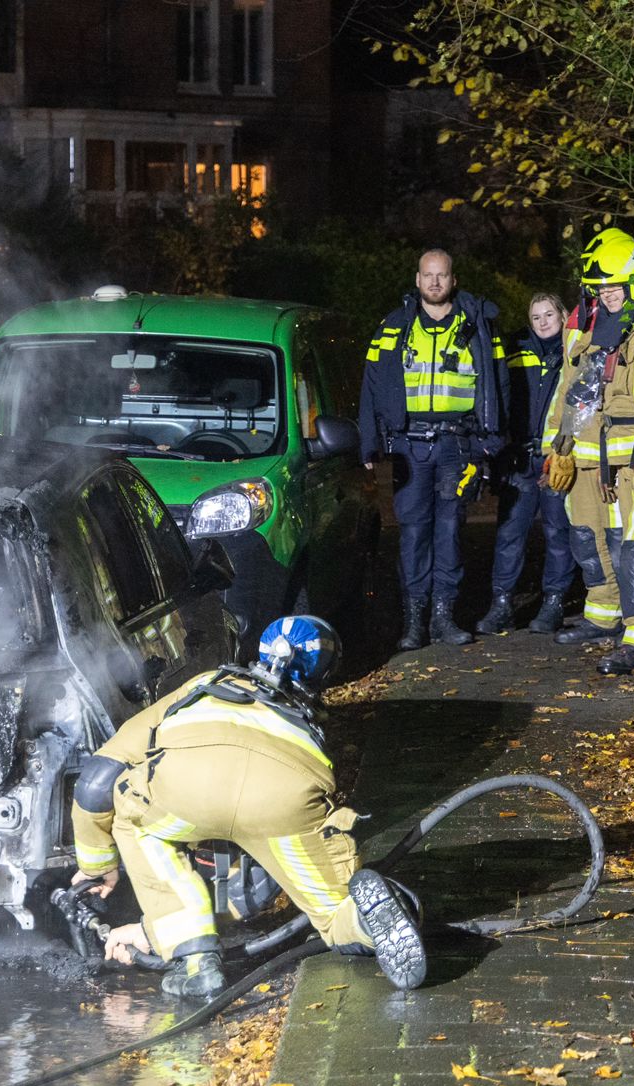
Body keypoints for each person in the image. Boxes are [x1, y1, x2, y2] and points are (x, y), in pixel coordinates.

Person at [68, 616, 427, 1000]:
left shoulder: (205, 684)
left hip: (184, 787)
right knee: (333, 914)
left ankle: (195, 962)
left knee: (135, 818)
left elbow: (96, 781)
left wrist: (98, 867)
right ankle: (381, 914)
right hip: (284, 801)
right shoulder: (310, 721)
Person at [538, 228, 634, 675]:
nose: (607, 293)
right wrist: (561, 446)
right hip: (596, 456)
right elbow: (572, 390)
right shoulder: (589, 324)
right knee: (590, 535)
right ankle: (605, 616)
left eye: (615, 284)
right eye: (600, 286)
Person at [359, 250, 510, 652]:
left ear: (453, 280)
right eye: (429, 276)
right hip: (410, 447)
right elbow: (371, 385)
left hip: (456, 446)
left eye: (442, 276)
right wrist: (369, 442)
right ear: (417, 279)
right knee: (413, 534)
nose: (435, 283)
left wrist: (492, 439)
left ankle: (445, 617)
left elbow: (499, 383)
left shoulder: (476, 324)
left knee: (449, 532)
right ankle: (414, 621)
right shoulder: (395, 326)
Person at [475, 294, 576, 635]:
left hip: (556, 458)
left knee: (558, 532)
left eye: (549, 314)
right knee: (509, 535)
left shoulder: (574, 351)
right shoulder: (515, 347)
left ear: (563, 316)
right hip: (520, 458)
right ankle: (501, 603)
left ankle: (553, 602)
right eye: (536, 317)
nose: (543, 321)